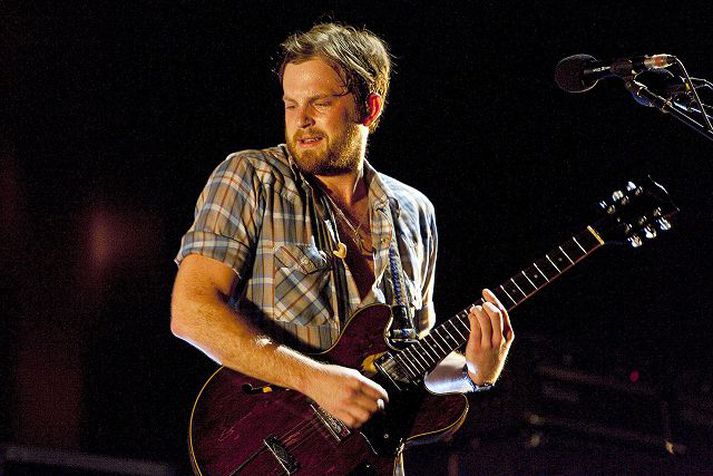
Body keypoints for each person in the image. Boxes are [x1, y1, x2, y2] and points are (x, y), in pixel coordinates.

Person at [171, 22, 514, 474]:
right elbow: (191, 312)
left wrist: (472, 372)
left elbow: (413, 359)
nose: (301, 120)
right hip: (271, 448)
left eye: (320, 102)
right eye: (291, 104)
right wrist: (316, 380)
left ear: (368, 108)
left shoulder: (414, 212)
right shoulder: (252, 177)